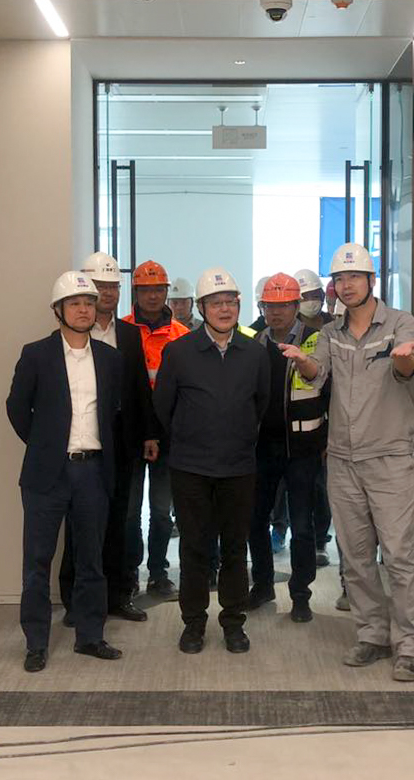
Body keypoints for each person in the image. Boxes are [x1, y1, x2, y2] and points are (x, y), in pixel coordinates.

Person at [281, 242, 414, 683]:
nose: (346, 286)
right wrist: (303, 362)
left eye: (354, 277)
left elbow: (411, 367)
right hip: (343, 460)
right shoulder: (331, 333)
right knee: (356, 556)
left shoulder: (400, 323)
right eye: (339, 279)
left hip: (390, 458)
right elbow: (318, 374)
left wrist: (404, 359)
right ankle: (372, 634)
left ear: (371, 280)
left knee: (399, 556)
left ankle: (411, 644)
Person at [6, 271, 124, 672]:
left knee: (91, 560)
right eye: (74, 304)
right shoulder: (36, 354)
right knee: (37, 562)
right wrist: (45, 445)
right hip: (47, 473)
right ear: (58, 310)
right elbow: (17, 409)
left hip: (93, 472)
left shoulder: (110, 359)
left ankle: (90, 636)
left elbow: (114, 412)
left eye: (89, 303)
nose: (83, 310)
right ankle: (36, 643)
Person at [154, 267, 270, 655]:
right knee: (194, 549)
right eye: (216, 303)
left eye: (230, 302)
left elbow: (261, 404)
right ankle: (193, 624)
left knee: (236, 549)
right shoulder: (179, 352)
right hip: (191, 469)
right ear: (201, 308)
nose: (224, 309)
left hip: (238, 467)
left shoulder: (255, 353)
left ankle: (234, 622)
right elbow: (164, 407)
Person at [58, 253, 157, 625]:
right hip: (83, 440)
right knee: (79, 522)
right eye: (101, 286)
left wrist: (148, 433)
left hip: (122, 440)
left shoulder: (128, 333)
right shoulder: (72, 334)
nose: (109, 293)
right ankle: (75, 601)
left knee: (120, 520)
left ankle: (118, 595)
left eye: (114, 286)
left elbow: (139, 388)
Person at [247, 273, 330, 623]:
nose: (276, 312)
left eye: (283, 305)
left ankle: (300, 595)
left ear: (296, 306)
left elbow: (329, 390)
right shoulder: (253, 340)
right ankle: (263, 584)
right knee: (255, 520)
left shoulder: (316, 340)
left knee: (302, 524)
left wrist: (327, 441)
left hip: (302, 449)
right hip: (261, 448)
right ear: (261, 307)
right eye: (269, 306)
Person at [122, 260, 189, 600]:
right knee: (130, 512)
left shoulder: (181, 335)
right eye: (145, 290)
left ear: (166, 292)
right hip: (131, 434)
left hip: (169, 435)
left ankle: (159, 573)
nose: (152, 296)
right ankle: (130, 572)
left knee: (162, 512)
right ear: (136, 292)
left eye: (158, 289)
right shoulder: (122, 331)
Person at [294, 268, 337, 567]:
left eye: (314, 295)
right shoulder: (289, 330)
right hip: (294, 425)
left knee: (322, 489)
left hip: (327, 421)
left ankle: (321, 539)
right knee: (297, 494)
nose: (311, 300)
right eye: (304, 296)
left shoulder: (334, 327)